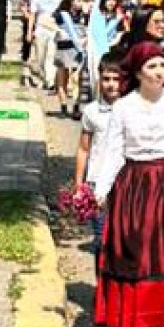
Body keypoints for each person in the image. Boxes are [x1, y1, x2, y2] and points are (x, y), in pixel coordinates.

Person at [92, 42, 164, 327]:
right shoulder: (124, 107)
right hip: (134, 185)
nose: (159, 72)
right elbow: (113, 150)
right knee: (135, 253)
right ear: (137, 72)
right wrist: (101, 189)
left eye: (162, 65)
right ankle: (136, 325)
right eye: (152, 66)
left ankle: (163, 323)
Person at [73, 53, 123, 263]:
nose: (111, 85)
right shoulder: (92, 112)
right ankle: (100, 280)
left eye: (116, 79)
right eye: (106, 79)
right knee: (102, 240)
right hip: (96, 183)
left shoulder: (132, 109)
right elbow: (83, 148)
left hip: (125, 183)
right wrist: (79, 185)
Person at [27, 0, 63, 91]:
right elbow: (32, 15)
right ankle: (40, 77)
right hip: (41, 30)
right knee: (40, 58)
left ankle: (50, 81)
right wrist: (29, 31)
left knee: (51, 56)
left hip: (54, 30)